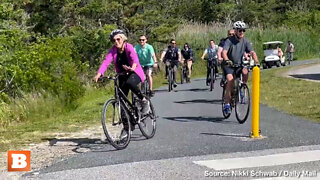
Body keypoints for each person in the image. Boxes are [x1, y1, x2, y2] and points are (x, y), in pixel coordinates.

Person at [94, 29, 149, 115]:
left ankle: (143, 100)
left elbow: (135, 59)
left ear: (123, 39)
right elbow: (106, 62)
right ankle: (127, 125)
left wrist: (132, 68)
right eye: (114, 40)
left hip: (135, 72)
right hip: (122, 74)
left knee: (130, 83)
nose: (116, 42)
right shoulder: (113, 50)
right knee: (121, 99)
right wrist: (99, 73)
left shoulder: (129, 47)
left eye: (118, 39)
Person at [222, 21, 259, 115]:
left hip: (239, 64)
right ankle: (226, 104)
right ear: (235, 31)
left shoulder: (245, 41)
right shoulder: (229, 40)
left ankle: (242, 87)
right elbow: (224, 52)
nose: (242, 32)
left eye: (243, 30)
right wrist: (226, 60)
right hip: (229, 65)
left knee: (245, 71)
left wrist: (256, 62)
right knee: (230, 80)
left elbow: (252, 52)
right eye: (240, 30)